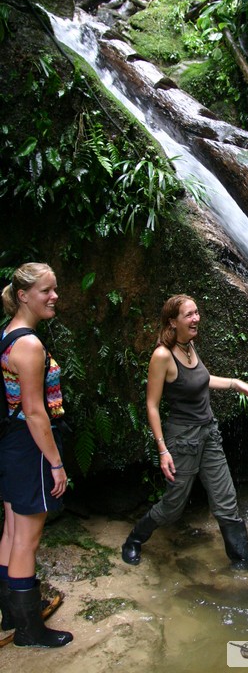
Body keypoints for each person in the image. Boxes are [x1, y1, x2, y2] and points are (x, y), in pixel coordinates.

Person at [121, 294, 248, 572]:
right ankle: (134, 540)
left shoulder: (189, 345)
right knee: (173, 506)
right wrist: (163, 450)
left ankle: (244, 562)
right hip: (183, 440)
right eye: (189, 315)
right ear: (172, 322)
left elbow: (202, 379)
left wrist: (238, 384)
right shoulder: (162, 356)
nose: (196, 318)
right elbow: (151, 405)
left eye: (196, 313)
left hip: (209, 433)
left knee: (226, 500)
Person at [0, 262, 73, 647]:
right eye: (47, 290)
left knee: (12, 532)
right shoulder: (29, 344)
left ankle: (11, 613)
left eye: (55, 288)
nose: (54, 296)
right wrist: (56, 464)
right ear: (24, 295)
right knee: (26, 540)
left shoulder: (7, 334)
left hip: (12, 444)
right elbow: (34, 410)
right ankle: (29, 630)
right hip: (31, 449)